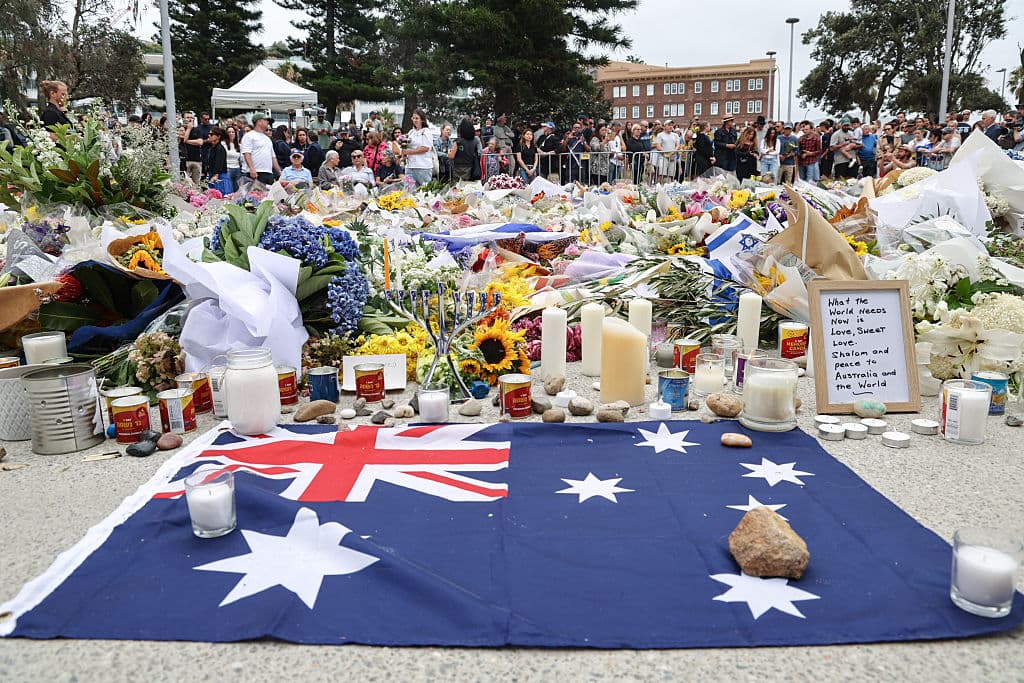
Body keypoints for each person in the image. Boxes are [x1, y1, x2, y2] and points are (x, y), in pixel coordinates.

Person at [239, 114, 279, 185]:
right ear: (259, 121)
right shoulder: (249, 136)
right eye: (266, 120)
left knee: (267, 195)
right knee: (255, 195)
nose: (268, 122)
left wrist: (279, 172)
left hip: (268, 173)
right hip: (255, 173)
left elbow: (273, 157)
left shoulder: (267, 139)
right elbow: (247, 153)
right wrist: (252, 168)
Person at [400, 109, 434, 187]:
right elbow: (406, 145)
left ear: (422, 120)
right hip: (410, 166)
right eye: (413, 118)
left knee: (424, 190)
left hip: (423, 166)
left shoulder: (426, 131)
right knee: (409, 190)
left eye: (417, 118)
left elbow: (425, 148)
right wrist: (404, 153)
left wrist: (409, 152)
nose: (415, 120)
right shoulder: (411, 132)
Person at [205, 127, 231, 193]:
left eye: (211, 134)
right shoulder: (212, 148)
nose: (209, 135)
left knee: (220, 195)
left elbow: (219, 162)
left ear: (218, 136)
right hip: (212, 174)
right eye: (209, 134)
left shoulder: (220, 148)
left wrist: (216, 174)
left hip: (219, 176)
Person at [223, 125, 242, 190]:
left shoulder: (239, 145)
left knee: (237, 189)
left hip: (237, 169)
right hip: (227, 168)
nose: (231, 133)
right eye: (229, 132)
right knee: (228, 189)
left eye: (233, 132)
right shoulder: (223, 144)